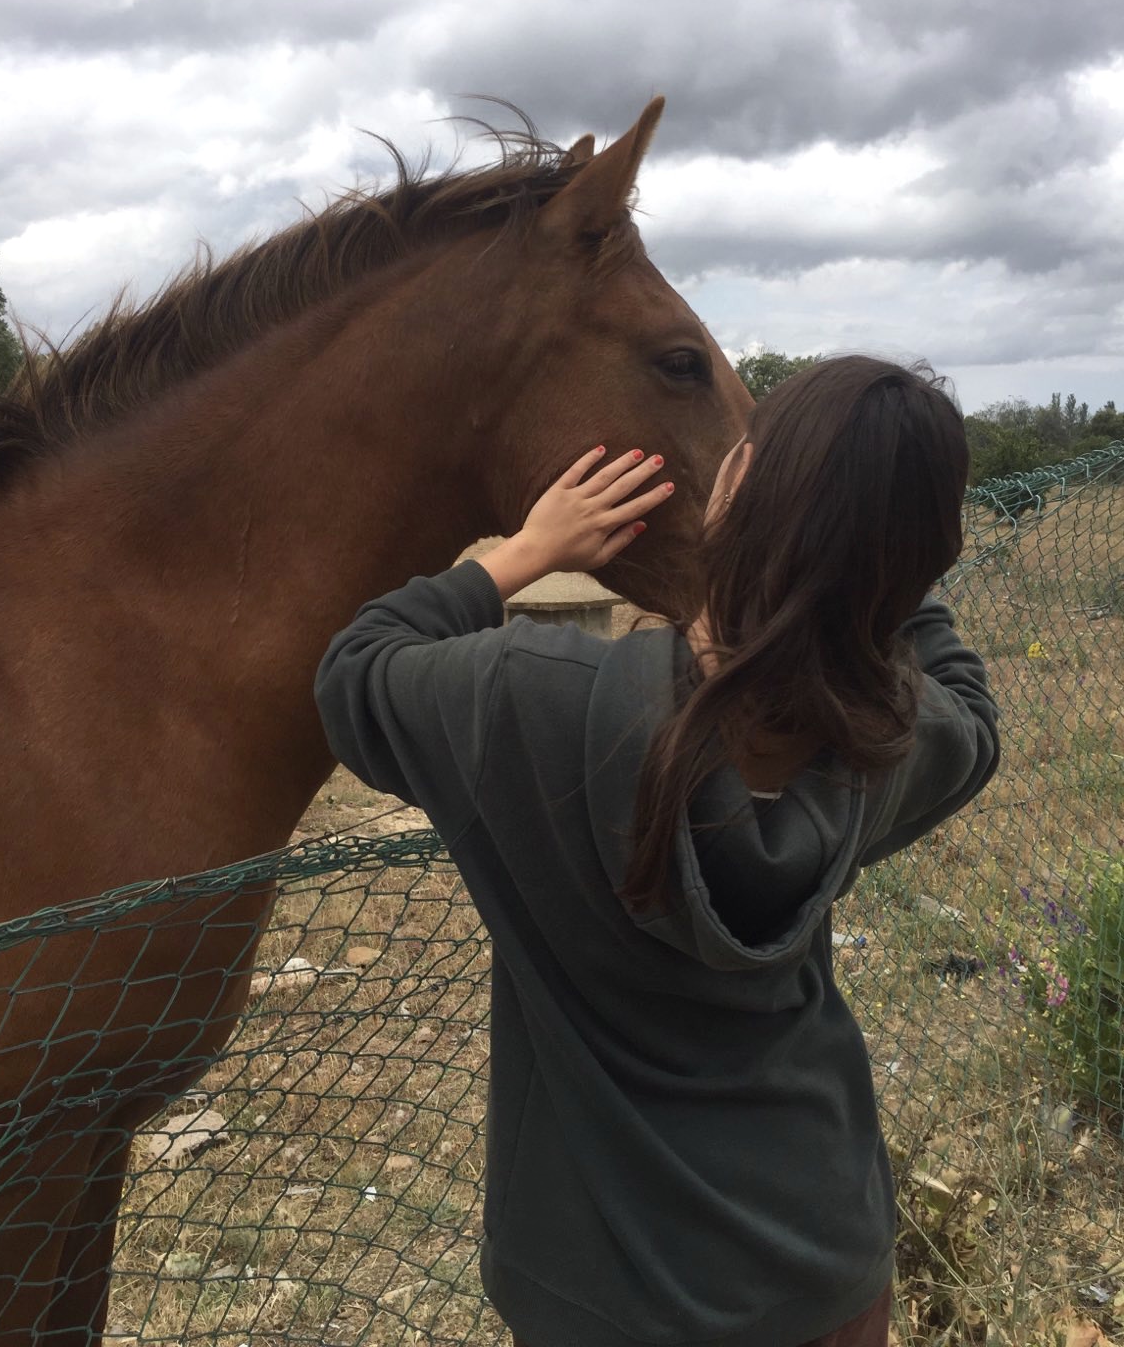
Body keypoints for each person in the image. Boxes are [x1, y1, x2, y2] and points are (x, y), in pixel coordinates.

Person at [314, 355, 1000, 1347]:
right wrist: (875, 560)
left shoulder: (533, 701)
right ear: (923, 563)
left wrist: (517, 551)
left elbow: (355, 672)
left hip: (611, 1304)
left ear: (732, 487)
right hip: (830, 1272)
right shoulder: (891, 743)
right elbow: (971, 710)